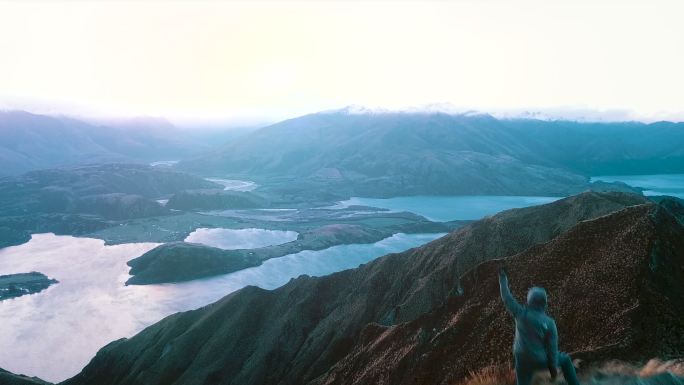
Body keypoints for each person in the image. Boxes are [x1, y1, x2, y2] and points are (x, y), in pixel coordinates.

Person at [498, 267, 580, 385]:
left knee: (522, 377)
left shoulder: (520, 313)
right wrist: (553, 371)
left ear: (529, 301)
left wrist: (502, 277)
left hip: (522, 360)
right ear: (544, 303)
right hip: (540, 360)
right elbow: (552, 350)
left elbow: (506, 297)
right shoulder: (550, 322)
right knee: (566, 359)